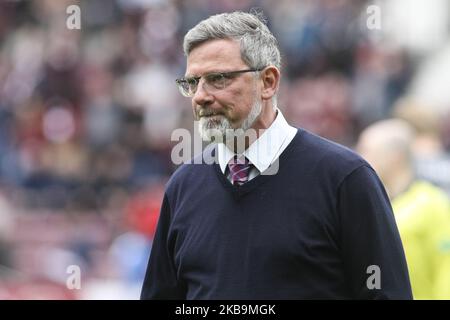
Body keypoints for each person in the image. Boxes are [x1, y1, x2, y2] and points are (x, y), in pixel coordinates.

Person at [140, 11, 412, 299]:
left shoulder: (345, 179)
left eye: (218, 79)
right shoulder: (183, 187)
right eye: (192, 83)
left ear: (268, 81)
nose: (200, 96)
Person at [356, 119, 450, 299]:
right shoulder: (371, 203)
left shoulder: (431, 203)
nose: (358, 156)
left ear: (395, 156)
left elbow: (446, 268)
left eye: (366, 150)